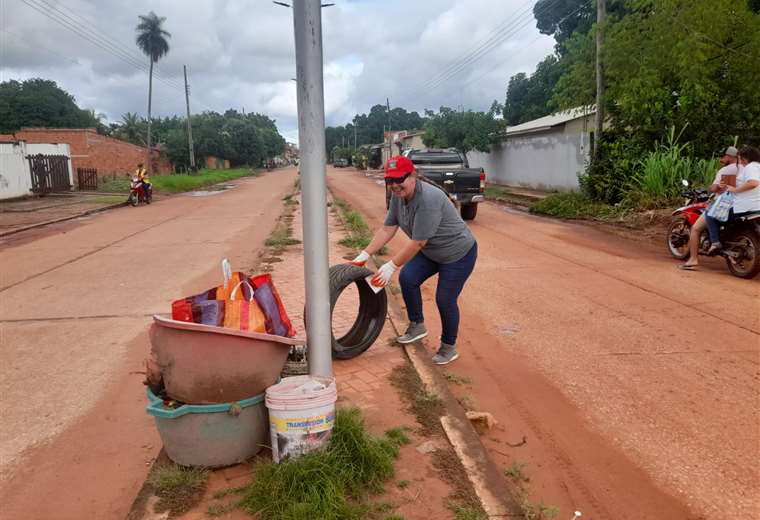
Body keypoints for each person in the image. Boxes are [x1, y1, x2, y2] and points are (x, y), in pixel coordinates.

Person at [350, 155, 477, 365]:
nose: (395, 185)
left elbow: (418, 242)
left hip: (458, 254)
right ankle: (417, 325)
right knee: (408, 279)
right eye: (390, 180)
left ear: (413, 176)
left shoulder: (428, 199)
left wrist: (391, 266)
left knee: (445, 299)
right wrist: (364, 255)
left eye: (400, 179)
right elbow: (388, 228)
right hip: (432, 252)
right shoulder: (398, 198)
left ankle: (448, 347)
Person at [680, 146, 739, 269]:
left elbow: (717, 188)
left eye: (723, 157)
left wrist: (712, 188)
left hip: (724, 205)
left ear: (729, 157)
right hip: (741, 206)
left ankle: (693, 259)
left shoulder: (727, 170)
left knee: (696, 229)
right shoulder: (746, 169)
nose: (721, 160)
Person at [704, 145, 760, 253]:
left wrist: (736, 190)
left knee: (710, 214)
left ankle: (715, 243)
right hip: (756, 207)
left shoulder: (750, 167)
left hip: (744, 207)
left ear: (744, 158)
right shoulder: (757, 167)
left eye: (739, 158)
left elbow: (753, 183)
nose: (739, 161)